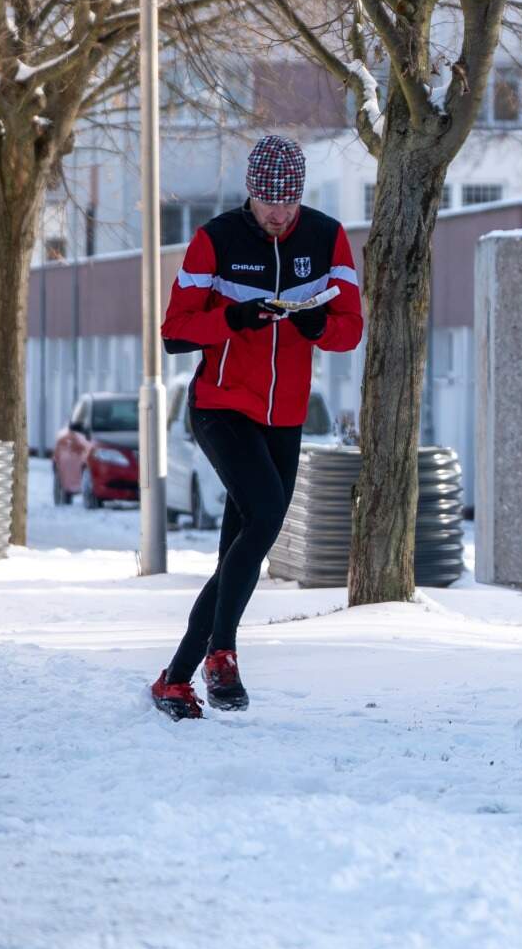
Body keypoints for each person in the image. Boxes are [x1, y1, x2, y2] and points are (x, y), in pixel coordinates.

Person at [149, 135, 364, 719]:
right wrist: (234, 318)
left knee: (239, 544)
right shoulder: (216, 239)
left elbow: (350, 328)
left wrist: (319, 327)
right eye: (269, 202)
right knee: (267, 515)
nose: (279, 213)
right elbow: (175, 332)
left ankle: (190, 672)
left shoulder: (326, 237)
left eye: (289, 202)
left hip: (285, 415)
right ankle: (208, 660)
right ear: (251, 192)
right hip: (220, 406)